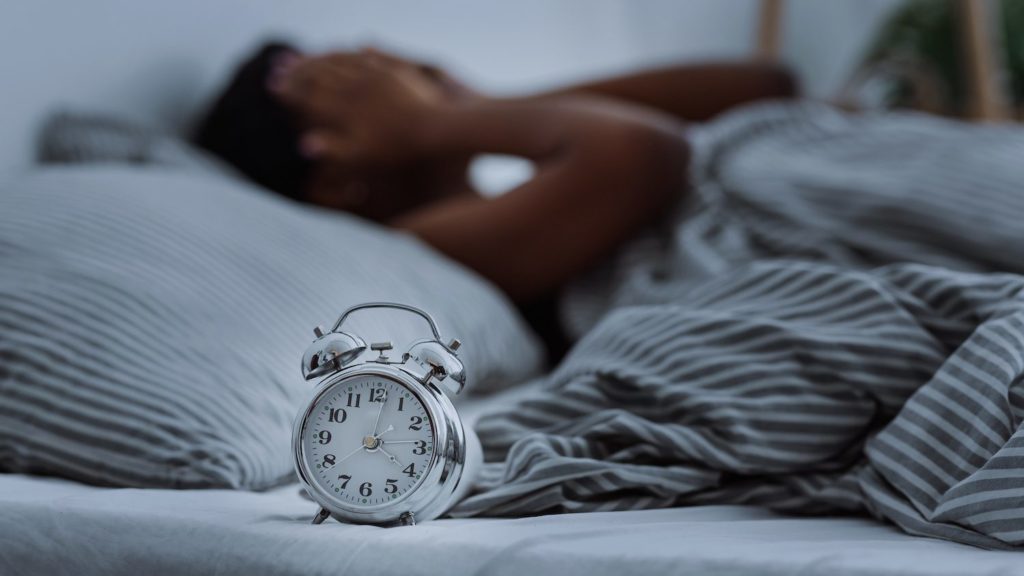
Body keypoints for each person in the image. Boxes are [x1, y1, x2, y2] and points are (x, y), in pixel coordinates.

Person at [195, 42, 797, 359]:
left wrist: (475, 106)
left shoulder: (541, 168)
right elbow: (647, 152)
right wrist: (437, 123)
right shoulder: (417, 250)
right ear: (333, 180)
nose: (394, 63)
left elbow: (766, 87)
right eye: (361, 84)